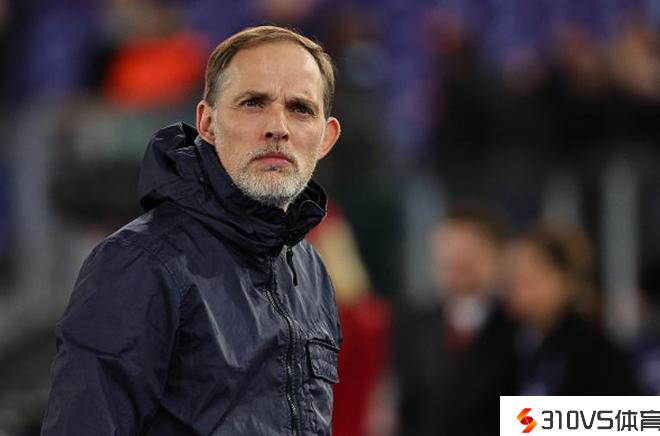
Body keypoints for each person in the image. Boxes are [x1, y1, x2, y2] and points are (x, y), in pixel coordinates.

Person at [41, 25, 342, 435]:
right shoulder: (138, 263)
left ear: (326, 138)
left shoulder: (311, 273)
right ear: (207, 123)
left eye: (300, 109)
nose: (278, 127)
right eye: (253, 103)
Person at [394, 203, 517, 436]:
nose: (454, 260)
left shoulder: (523, 326)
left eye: (468, 255)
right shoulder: (413, 324)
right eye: (446, 252)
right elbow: (407, 408)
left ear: (499, 256)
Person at [505, 223, 640, 395]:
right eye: (511, 281)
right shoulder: (509, 342)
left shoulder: (595, 353)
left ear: (565, 278)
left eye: (528, 281)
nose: (516, 292)